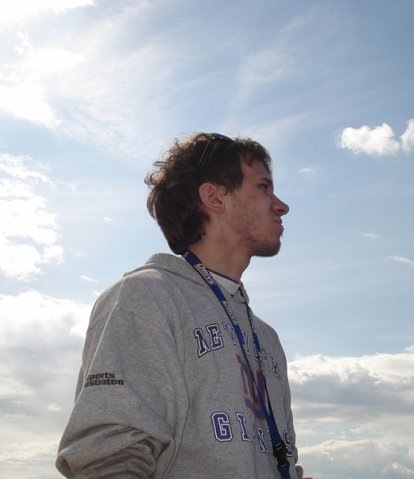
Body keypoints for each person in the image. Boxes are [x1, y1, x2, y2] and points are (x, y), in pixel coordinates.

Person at [56, 132, 305, 479]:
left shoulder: (266, 337)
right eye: (264, 187)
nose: (281, 205)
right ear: (214, 197)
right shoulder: (145, 298)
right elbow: (107, 461)